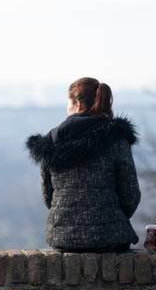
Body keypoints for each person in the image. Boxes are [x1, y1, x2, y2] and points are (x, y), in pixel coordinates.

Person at [26, 77, 141, 253]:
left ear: (77, 104)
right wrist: (113, 217)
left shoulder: (50, 142)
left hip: (63, 238)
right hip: (110, 237)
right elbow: (130, 194)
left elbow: (48, 196)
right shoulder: (116, 139)